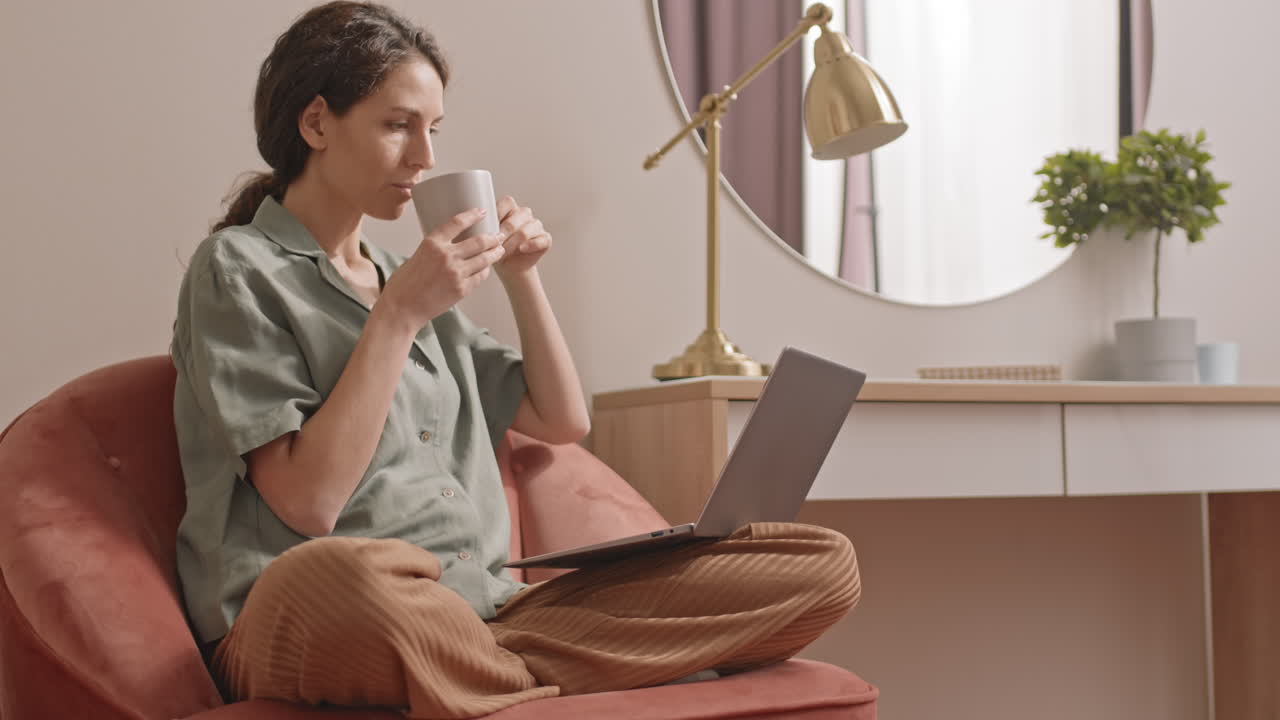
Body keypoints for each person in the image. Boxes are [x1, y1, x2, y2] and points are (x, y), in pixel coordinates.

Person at [170, 2, 861, 718]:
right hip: (315, 613)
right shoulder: (240, 269)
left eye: (433, 129)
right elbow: (308, 503)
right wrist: (400, 314)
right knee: (349, 574)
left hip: (489, 612)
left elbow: (561, 419)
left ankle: (497, 681)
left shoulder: (400, 271)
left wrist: (522, 276)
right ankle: (597, 673)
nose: (425, 157)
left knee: (817, 565)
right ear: (316, 124)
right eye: (397, 125)